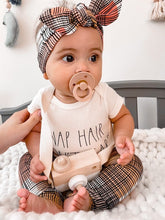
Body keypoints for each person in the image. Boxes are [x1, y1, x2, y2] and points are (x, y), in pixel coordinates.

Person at [17, 0, 143, 214]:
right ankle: (48, 200)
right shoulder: (44, 99)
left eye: (93, 57)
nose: (84, 67)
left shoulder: (103, 93)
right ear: (45, 69)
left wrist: (122, 137)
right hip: (58, 166)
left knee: (133, 165)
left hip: (101, 164)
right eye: (69, 58)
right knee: (25, 162)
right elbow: (32, 131)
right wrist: (38, 156)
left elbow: (122, 117)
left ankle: (89, 198)